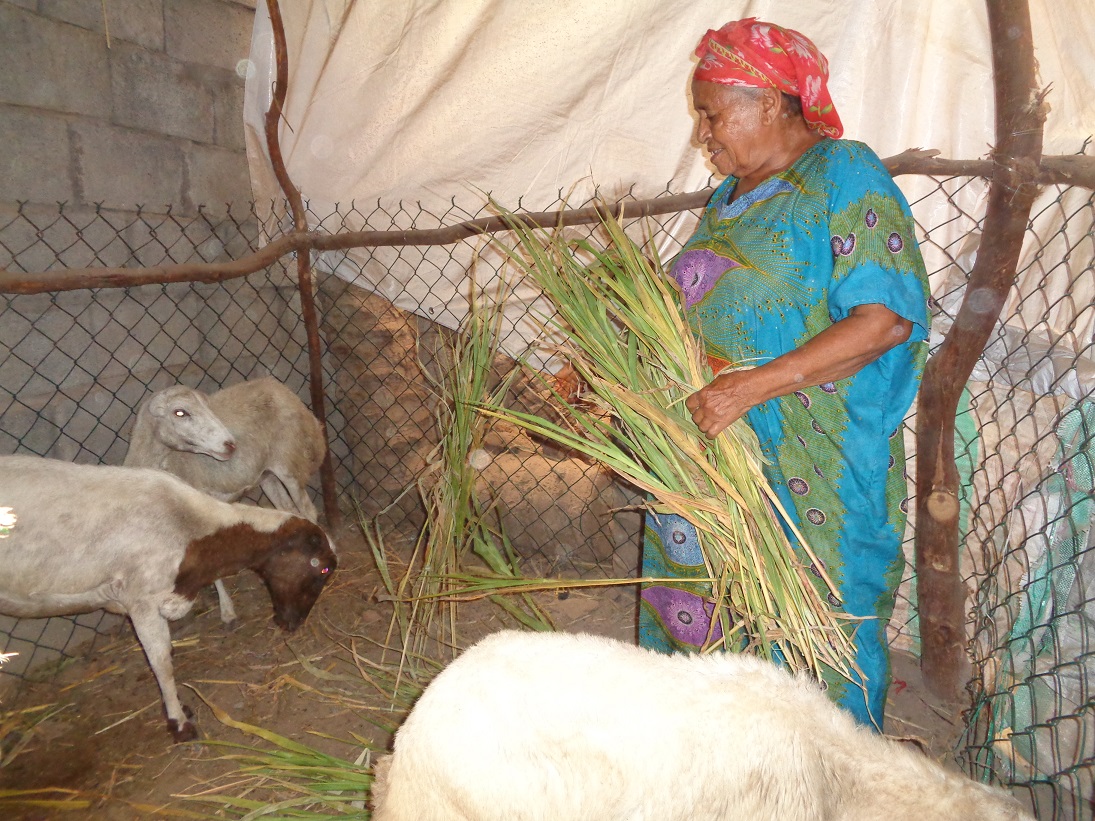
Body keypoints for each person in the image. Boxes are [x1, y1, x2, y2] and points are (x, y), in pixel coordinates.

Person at [638, 18, 931, 730]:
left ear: (769, 101)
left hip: (807, 463)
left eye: (711, 114)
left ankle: (822, 775)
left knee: (814, 628)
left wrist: (748, 387)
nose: (702, 134)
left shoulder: (842, 173)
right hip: (708, 456)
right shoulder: (724, 201)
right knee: (707, 621)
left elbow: (883, 319)